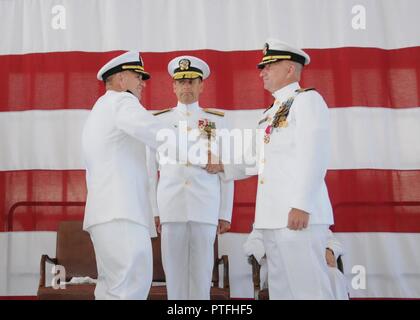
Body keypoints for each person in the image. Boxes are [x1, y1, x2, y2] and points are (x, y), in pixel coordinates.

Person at [206, 39, 335, 299]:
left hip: (298, 216)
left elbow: (315, 154)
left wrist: (302, 204)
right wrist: (222, 164)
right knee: (282, 292)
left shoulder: (307, 101)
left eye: (268, 66)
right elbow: (258, 159)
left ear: (289, 69)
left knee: (310, 291)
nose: (261, 72)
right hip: (272, 218)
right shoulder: (270, 112)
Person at [82, 51, 180, 299]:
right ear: (121, 79)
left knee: (111, 289)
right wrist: (201, 153)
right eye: (138, 77)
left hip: (105, 216)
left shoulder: (98, 109)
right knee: (131, 288)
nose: (143, 83)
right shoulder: (121, 103)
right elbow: (157, 133)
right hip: (122, 213)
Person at [147, 56, 234, 299]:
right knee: (173, 273)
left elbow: (226, 169)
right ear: (173, 86)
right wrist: (155, 209)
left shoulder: (218, 120)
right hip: (170, 205)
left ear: (201, 85)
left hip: (205, 205)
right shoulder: (158, 121)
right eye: (181, 82)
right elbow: (149, 171)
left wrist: (224, 212)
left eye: (192, 82)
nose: (186, 87)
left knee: (202, 272)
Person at [243, 228, 349, 299]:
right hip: (281, 270)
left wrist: (329, 250)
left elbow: (333, 241)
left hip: (312, 268)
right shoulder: (268, 217)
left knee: (334, 275)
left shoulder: (309, 214)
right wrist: (272, 252)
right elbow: (251, 245)